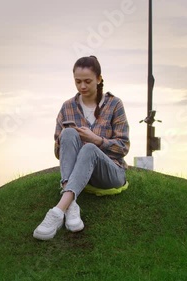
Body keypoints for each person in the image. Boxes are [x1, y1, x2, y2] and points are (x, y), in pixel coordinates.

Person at [33, 56, 130, 240]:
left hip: (111, 171)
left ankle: (57, 212)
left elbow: (123, 147)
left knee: (89, 149)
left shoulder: (114, 104)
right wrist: (63, 141)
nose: (82, 86)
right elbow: (58, 153)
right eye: (78, 82)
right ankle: (71, 205)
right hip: (80, 173)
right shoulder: (67, 107)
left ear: (99, 79)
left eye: (87, 81)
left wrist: (97, 140)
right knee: (69, 134)